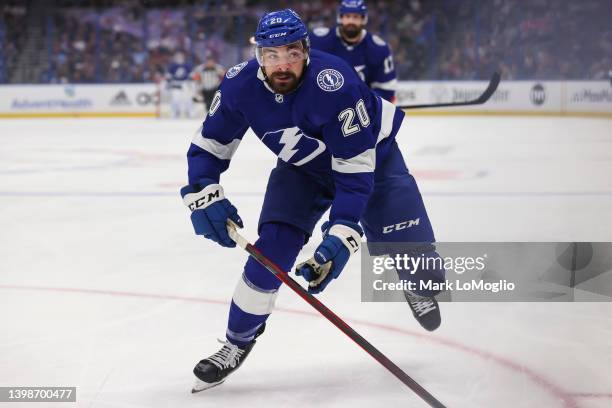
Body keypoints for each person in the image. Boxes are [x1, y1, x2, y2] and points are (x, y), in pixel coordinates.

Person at [180, 9, 444, 393]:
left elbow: (354, 176)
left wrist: (340, 236)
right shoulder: (239, 86)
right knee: (269, 252)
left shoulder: (334, 84)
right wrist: (202, 191)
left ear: (306, 50)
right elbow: (210, 144)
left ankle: (417, 282)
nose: (282, 64)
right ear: (259, 57)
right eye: (271, 55)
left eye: (291, 53)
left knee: (419, 260)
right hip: (301, 170)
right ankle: (236, 343)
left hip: (374, 160)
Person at [310, 0, 397, 102]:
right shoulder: (318, 41)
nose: (351, 21)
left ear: (363, 19)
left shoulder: (378, 49)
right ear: (340, 18)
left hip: (361, 110)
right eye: (347, 16)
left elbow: (386, 90)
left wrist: (364, 104)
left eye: (356, 17)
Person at [165, 51, 193, 118]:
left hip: (185, 83)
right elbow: (168, 76)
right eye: (178, 57)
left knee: (187, 99)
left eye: (180, 57)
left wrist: (190, 83)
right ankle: (175, 112)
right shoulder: (172, 66)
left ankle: (189, 112)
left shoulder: (187, 65)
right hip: (176, 83)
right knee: (175, 99)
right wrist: (169, 83)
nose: (179, 58)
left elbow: (191, 75)